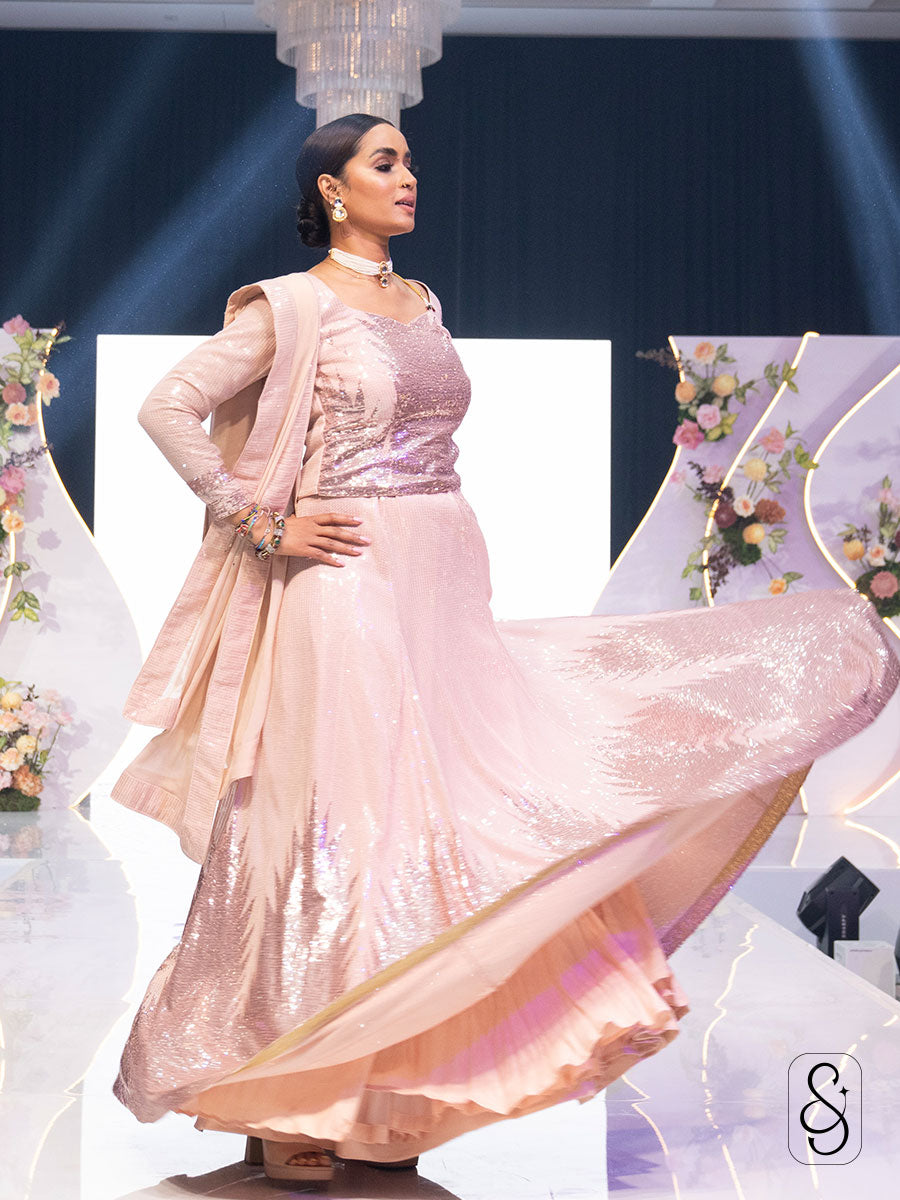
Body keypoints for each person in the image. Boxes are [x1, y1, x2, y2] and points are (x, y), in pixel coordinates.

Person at [110, 112, 899, 1187]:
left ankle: (385, 1094)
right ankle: (292, 1087)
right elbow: (172, 408)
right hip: (341, 583)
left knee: (456, 808)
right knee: (344, 819)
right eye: (384, 162)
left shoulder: (422, 303)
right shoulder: (290, 307)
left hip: (442, 574)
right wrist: (260, 518)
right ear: (333, 192)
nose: (409, 177)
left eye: (408, 159)